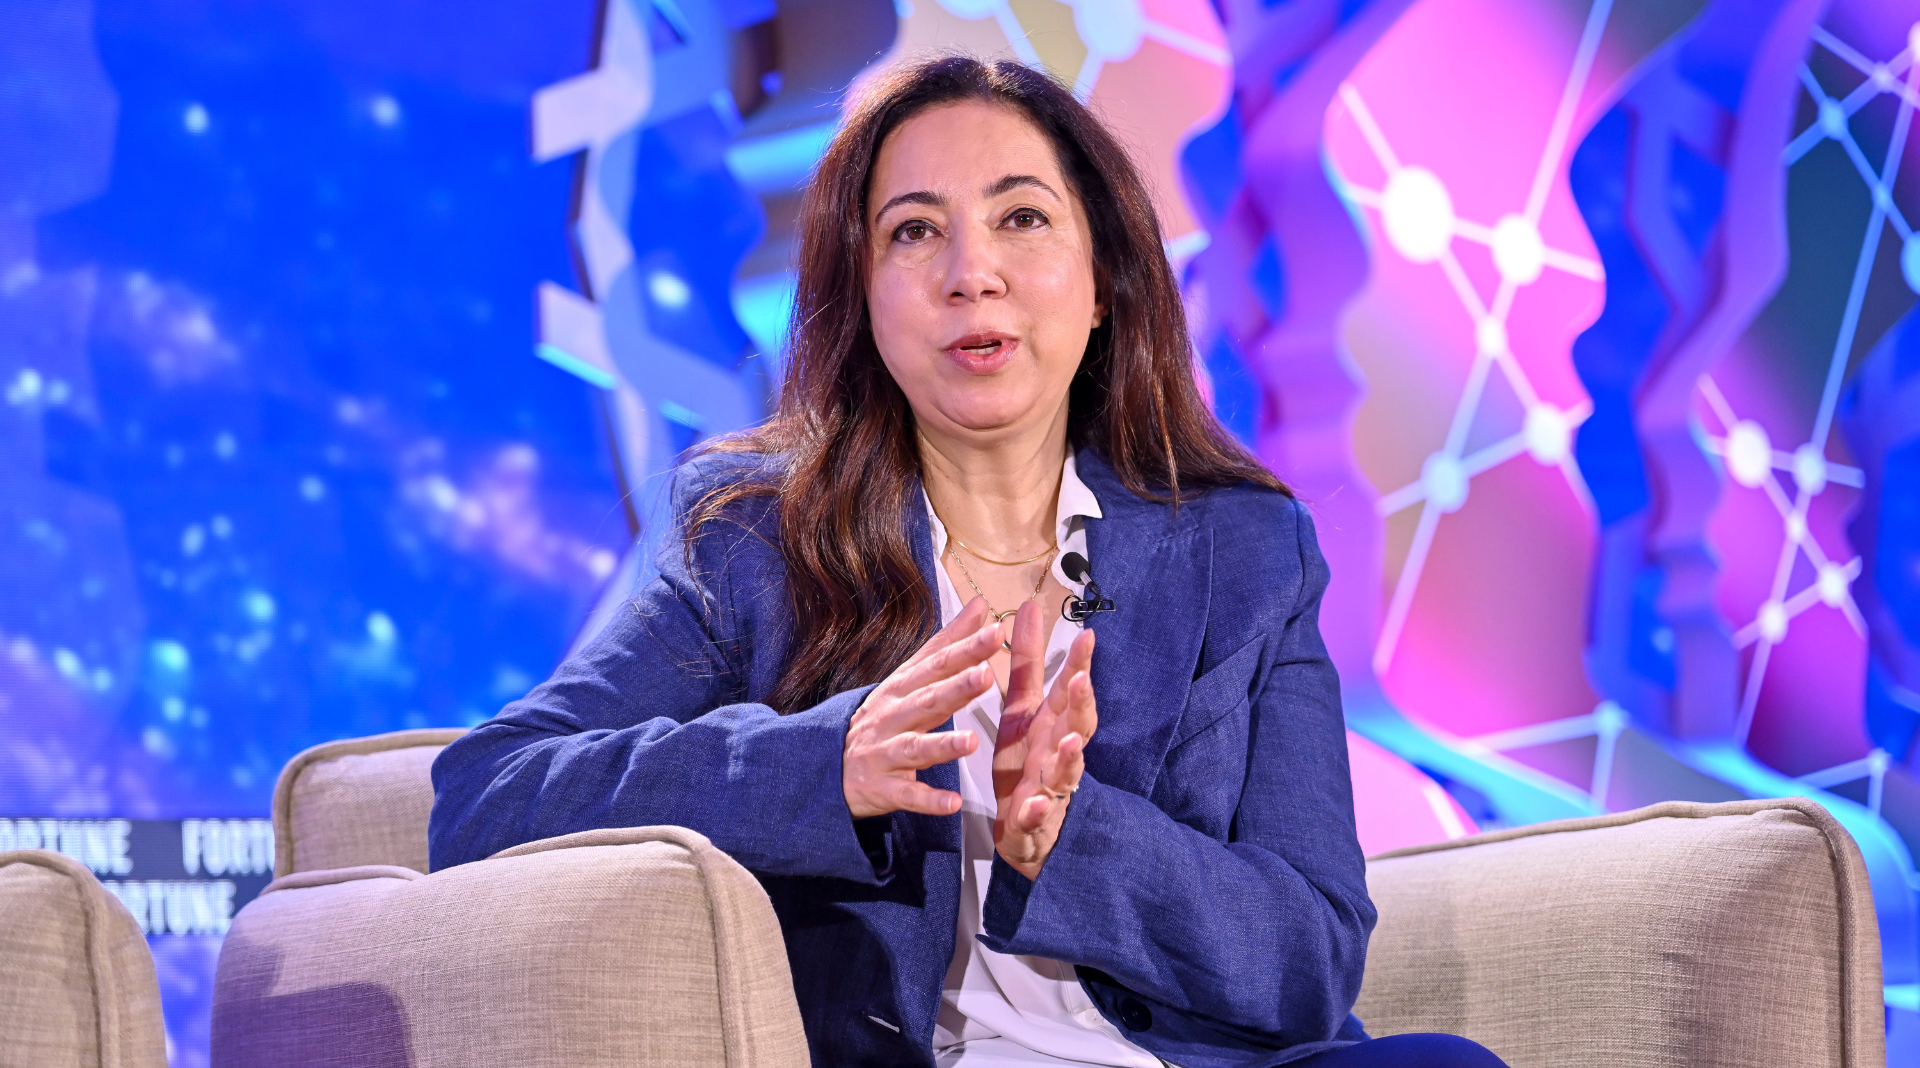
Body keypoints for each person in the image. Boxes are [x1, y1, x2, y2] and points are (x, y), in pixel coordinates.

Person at [429, 55, 1509, 1068]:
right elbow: (484, 798)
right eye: (913, 232)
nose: (970, 274)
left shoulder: (1245, 550)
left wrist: (1078, 840)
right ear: (862, 294)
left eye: (1022, 218)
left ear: (1103, 281)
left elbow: (1311, 963)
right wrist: (825, 766)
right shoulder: (757, 539)